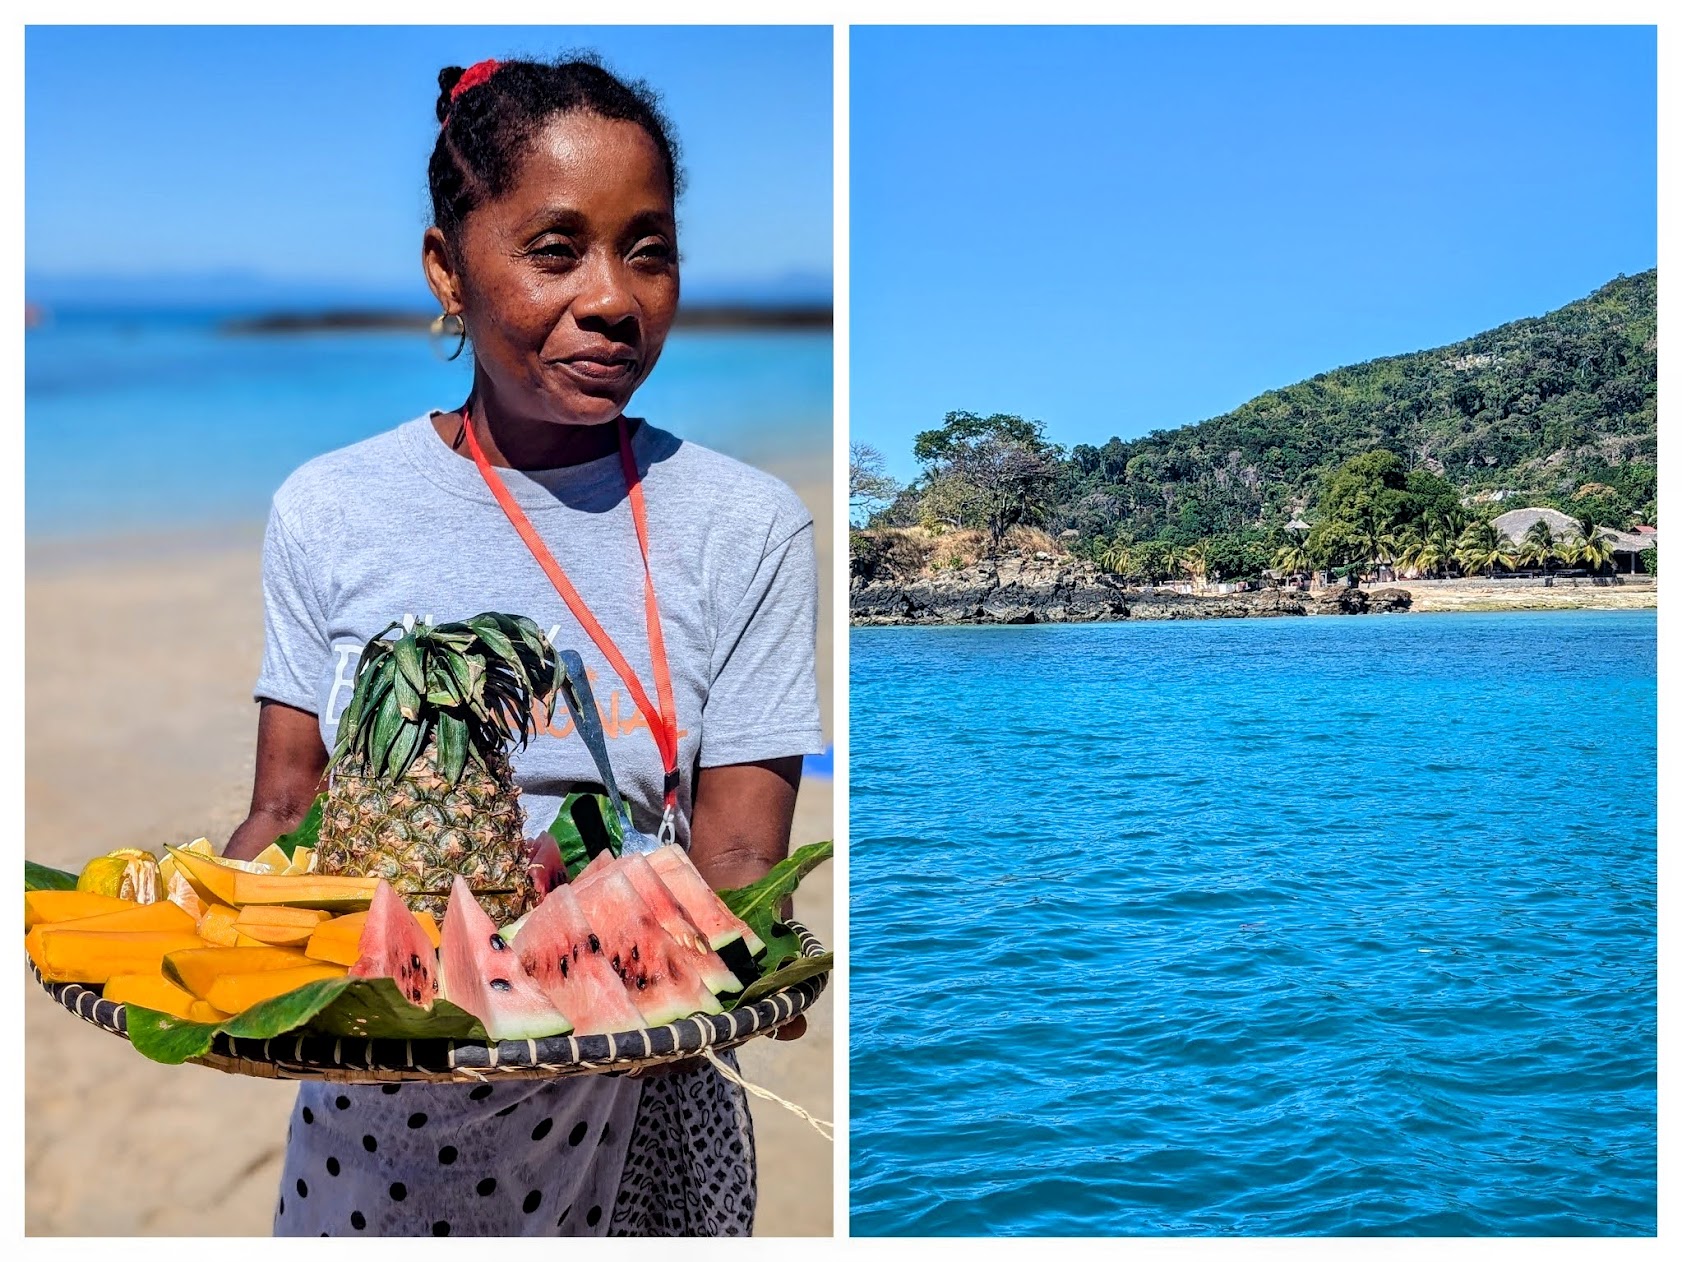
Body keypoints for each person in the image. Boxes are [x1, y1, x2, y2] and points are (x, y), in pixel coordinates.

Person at [223, 54, 824, 1237]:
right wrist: (208, 928)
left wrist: (761, 968)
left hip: (643, 1103)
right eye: (555, 250)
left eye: (647, 249)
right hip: (376, 1108)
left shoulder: (746, 523)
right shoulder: (326, 506)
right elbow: (284, 809)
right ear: (447, 268)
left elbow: (741, 861)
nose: (613, 295)